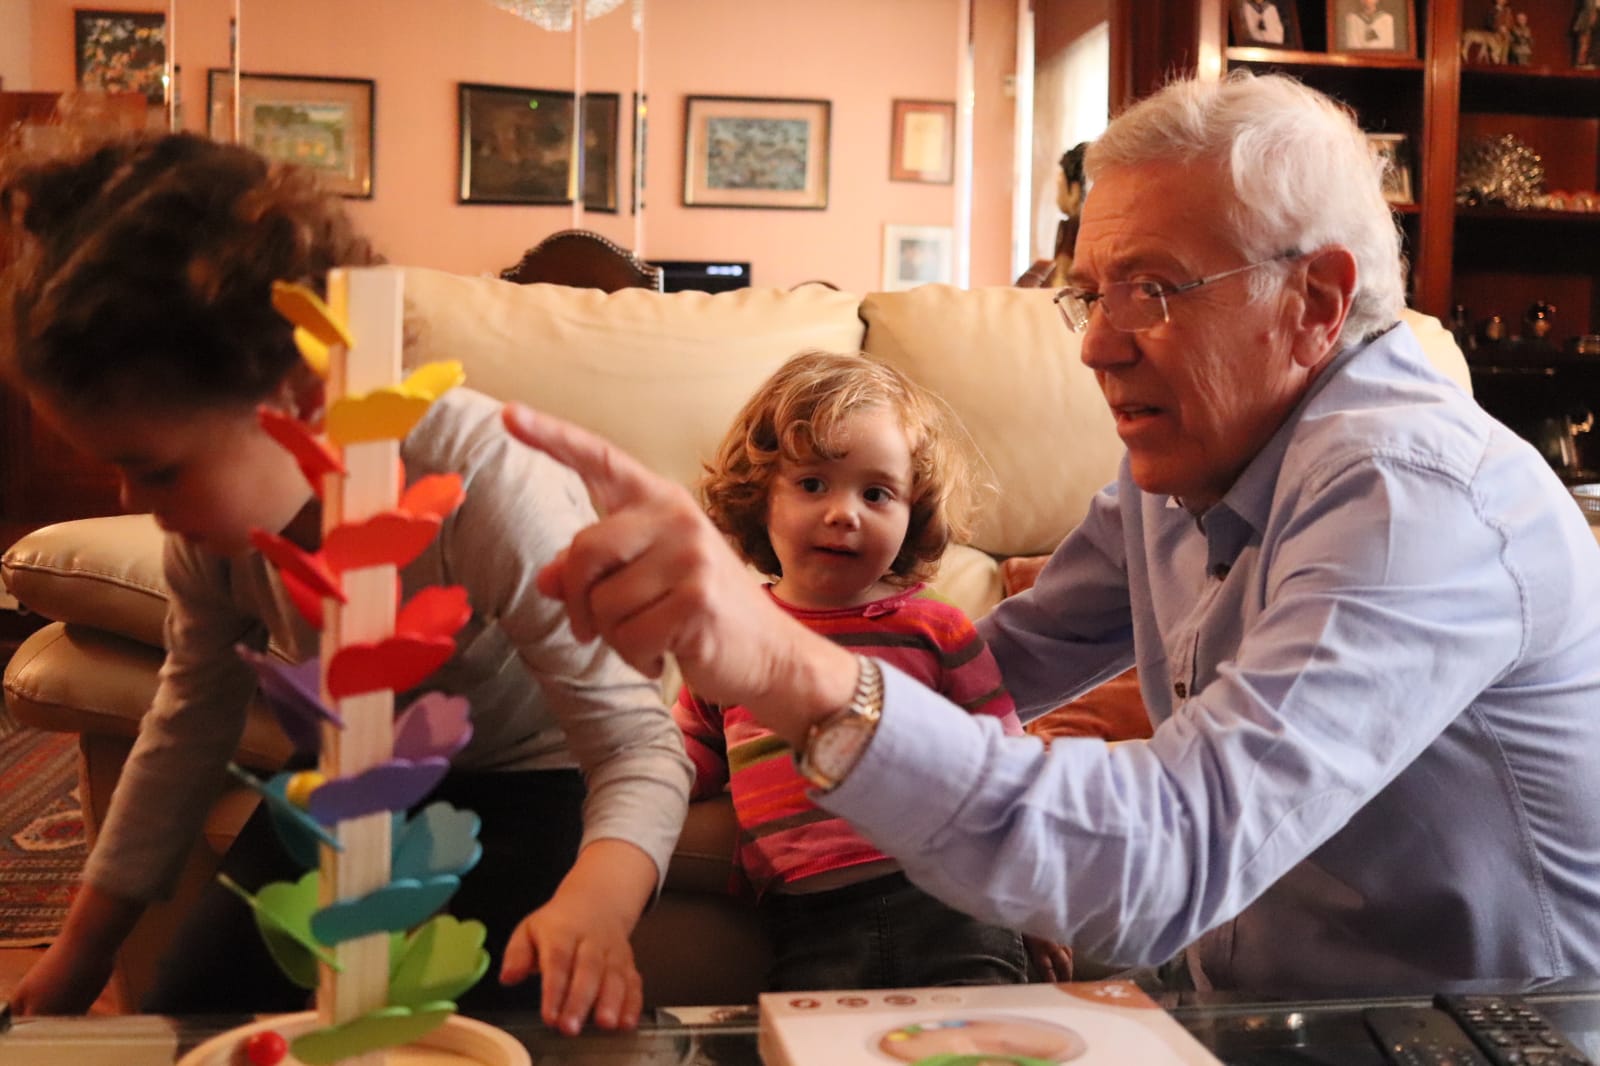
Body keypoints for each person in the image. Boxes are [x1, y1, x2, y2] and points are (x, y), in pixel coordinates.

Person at [501, 70, 1600, 994]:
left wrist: (789, 665)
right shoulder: (1186, 462)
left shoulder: (1411, 499)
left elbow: (1167, 853)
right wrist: (765, 660)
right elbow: (987, 664)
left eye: (1152, 290)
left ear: (1314, 302)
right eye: (1091, 294)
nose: (1094, 346)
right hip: (1244, 1006)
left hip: (1462, 1035)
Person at [0, 131, 692, 1034]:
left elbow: (638, 745)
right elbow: (189, 725)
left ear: (300, 392)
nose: (135, 502)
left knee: (478, 1031)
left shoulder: (487, 480)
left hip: (536, 775)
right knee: (197, 1015)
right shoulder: (211, 535)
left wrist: (595, 906)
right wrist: (82, 949)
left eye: (156, 469)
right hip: (350, 761)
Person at [674, 351, 1065, 991]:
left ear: (914, 514)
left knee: (982, 1036)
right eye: (812, 484)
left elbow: (1006, 768)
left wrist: (1036, 902)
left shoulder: (939, 631)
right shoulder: (732, 633)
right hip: (807, 919)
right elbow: (692, 745)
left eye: (876, 493)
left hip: (953, 904)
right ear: (759, 496)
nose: (844, 513)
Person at [1016, 142, 1088, 290]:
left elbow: (1061, 282)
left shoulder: (1072, 228)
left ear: (1074, 190)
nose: (1057, 195)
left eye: (1060, 185)